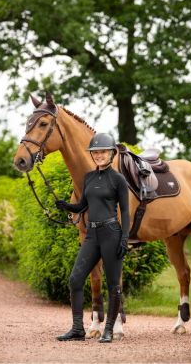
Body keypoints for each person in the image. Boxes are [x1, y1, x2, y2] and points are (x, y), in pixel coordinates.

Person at [54, 133, 130, 343]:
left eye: (102, 152)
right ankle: (78, 329)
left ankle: (108, 330)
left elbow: (125, 211)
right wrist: (66, 206)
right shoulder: (88, 177)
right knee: (75, 279)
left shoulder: (118, 179)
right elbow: (82, 206)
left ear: (111, 154)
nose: (98, 155)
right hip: (91, 234)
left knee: (113, 284)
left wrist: (124, 238)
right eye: (95, 152)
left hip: (111, 234)